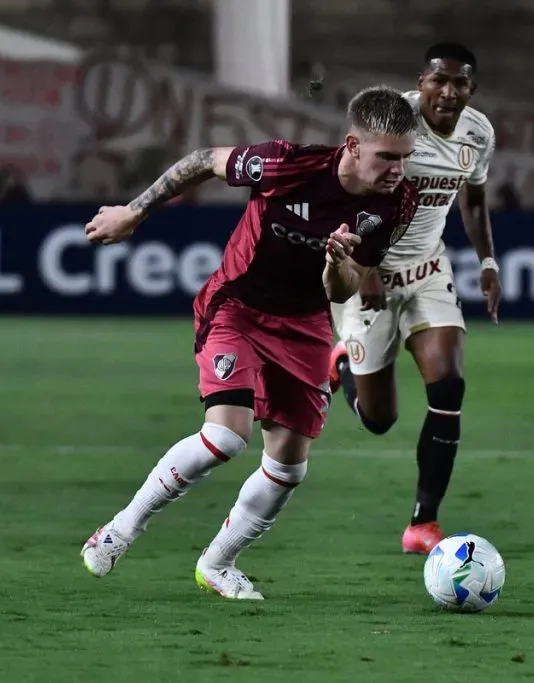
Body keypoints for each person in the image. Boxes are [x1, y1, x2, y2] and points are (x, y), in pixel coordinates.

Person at [79, 86, 420, 600]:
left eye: (405, 157)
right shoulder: (287, 165)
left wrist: (335, 264)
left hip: (305, 323)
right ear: (352, 145)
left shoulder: (398, 202)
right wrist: (135, 211)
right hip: (237, 306)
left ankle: (218, 563)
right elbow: (202, 160)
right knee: (227, 437)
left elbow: (345, 286)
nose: (397, 168)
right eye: (387, 156)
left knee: (288, 465)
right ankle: (120, 530)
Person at [328, 43, 501, 555]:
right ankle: (340, 364)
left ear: (472, 89)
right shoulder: (392, 121)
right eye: (438, 81)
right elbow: (347, 192)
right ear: (420, 81)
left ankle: (423, 523)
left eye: (459, 83)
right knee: (379, 420)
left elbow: (473, 197)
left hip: (429, 271)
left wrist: (488, 263)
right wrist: (366, 269)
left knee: (448, 386)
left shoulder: (479, 133)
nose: (448, 92)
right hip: (369, 270)